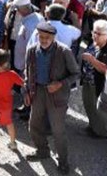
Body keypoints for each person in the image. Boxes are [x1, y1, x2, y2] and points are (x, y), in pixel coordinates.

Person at [23, 21, 80, 175]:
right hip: (38, 92)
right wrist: (26, 91)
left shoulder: (64, 51)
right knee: (34, 124)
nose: (44, 40)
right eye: (41, 37)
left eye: (47, 37)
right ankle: (42, 151)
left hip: (57, 95)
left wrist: (61, 84)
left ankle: (63, 161)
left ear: (54, 37)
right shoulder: (32, 50)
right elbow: (27, 72)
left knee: (58, 130)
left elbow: (76, 74)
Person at [80, 20, 107, 139]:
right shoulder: (93, 42)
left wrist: (92, 60)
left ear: (106, 35)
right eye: (94, 32)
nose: (95, 35)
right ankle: (92, 125)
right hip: (87, 79)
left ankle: (100, 132)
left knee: (95, 108)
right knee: (88, 105)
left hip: (97, 83)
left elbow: (105, 69)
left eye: (99, 34)